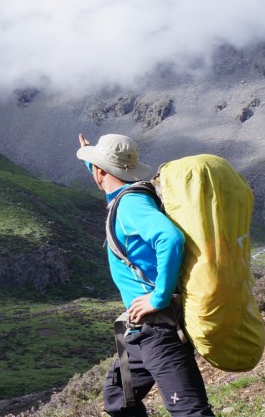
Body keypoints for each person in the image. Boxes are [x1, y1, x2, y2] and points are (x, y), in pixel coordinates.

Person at [76, 133, 214, 417]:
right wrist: (90, 155)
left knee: (190, 412)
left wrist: (159, 298)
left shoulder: (130, 205)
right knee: (118, 398)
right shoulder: (125, 195)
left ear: (102, 172)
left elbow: (170, 238)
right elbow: (103, 174)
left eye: (96, 167)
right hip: (137, 332)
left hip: (159, 331)